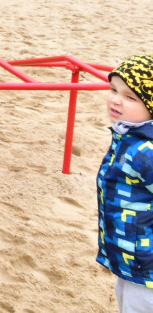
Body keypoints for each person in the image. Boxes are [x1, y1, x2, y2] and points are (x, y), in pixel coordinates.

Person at [97, 54, 153, 312]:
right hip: (131, 260)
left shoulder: (146, 151)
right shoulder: (128, 136)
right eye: (113, 89)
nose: (116, 99)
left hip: (146, 268)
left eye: (130, 97)